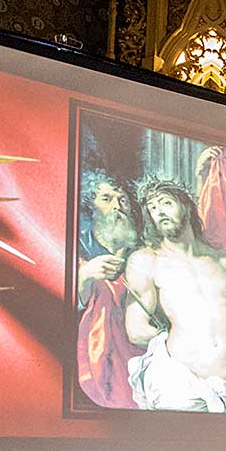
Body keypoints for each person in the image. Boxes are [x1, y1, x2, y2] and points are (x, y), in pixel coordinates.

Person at [125, 179, 226, 413]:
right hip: (182, 384)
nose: (160, 212)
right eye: (153, 208)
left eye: (166, 203)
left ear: (186, 207)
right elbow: (136, 330)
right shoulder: (147, 261)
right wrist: (186, 348)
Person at [76, 170, 142, 409]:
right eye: (106, 199)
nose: (117, 207)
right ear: (91, 207)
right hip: (93, 353)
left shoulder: (142, 249)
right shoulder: (79, 248)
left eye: (122, 200)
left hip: (136, 349)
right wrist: (84, 275)